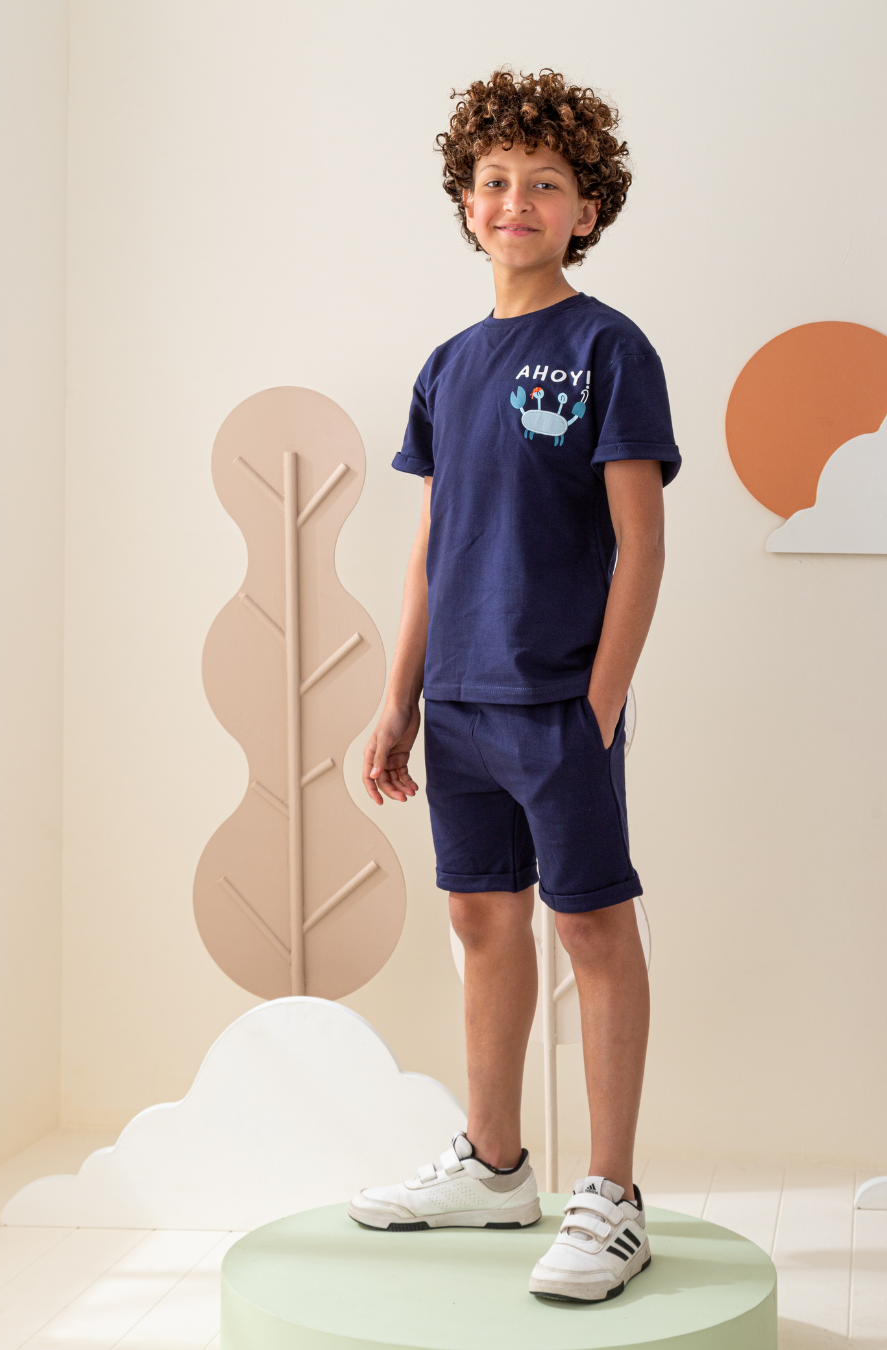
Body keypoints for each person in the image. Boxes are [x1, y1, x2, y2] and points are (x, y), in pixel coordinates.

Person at [348, 69, 680, 1304]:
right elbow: (431, 549)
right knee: (483, 920)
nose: (515, 200)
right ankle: (494, 1167)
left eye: (544, 182)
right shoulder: (447, 366)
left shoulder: (608, 349)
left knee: (592, 927)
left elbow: (641, 544)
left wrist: (602, 700)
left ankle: (613, 1197)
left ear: (587, 210)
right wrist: (399, 701)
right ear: (466, 204)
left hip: (560, 706)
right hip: (459, 709)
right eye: (494, 181)